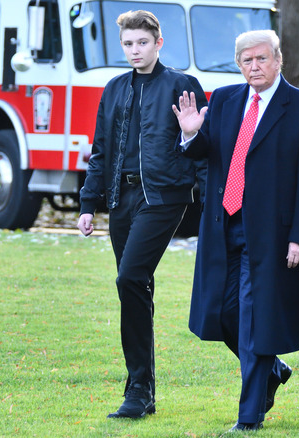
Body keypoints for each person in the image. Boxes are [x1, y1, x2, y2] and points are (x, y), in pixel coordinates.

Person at [172, 30, 299, 432]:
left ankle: (249, 417)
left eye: (261, 58)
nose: (254, 67)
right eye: (247, 60)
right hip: (223, 227)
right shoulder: (224, 99)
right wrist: (191, 132)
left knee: (256, 321)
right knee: (222, 314)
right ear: (238, 64)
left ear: (278, 60)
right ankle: (273, 370)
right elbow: (206, 152)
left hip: (273, 235)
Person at [77, 10, 207, 419]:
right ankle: (142, 392)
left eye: (143, 43)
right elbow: (101, 149)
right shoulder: (114, 88)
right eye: (129, 44)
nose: (136, 50)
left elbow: (204, 147)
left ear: (158, 43)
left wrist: (212, 202)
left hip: (164, 197)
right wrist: (88, 203)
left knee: (130, 277)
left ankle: (137, 389)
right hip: (121, 199)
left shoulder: (182, 85)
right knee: (135, 288)